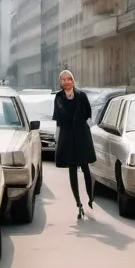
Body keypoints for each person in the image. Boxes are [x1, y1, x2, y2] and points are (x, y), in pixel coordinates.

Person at [53, 70, 96, 220]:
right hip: (67, 135)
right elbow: (58, 118)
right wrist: (57, 135)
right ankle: (78, 203)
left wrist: (88, 131)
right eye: (63, 79)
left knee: (85, 167)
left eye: (69, 79)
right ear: (60, 82)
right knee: (72, 168)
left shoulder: (81, 95)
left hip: (81, 135)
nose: (66, 81)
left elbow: (89, 115)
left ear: (73, 81)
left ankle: (90, 197)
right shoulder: (58, 97)